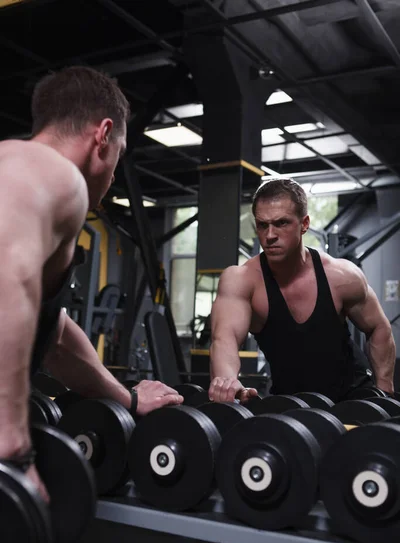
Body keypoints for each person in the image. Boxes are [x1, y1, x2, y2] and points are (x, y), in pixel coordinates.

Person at [0, 65, 183, 501]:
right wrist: (12, 447)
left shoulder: (16, 167)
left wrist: (130, 401)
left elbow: (55, 338)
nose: (115, 174)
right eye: (119, 153)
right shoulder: (55, 173)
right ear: (103, 135)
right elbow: (7, 270)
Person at [208, 177, 395, 405]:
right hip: (291, 402)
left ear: (304, 224)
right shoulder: (240, 280)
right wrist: (227, 380)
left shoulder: (341, 276)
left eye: (282, 223)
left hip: (352, 397)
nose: (269, 235)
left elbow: (378, 327)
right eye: (262, 225)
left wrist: (384, 392)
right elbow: (224, 339)